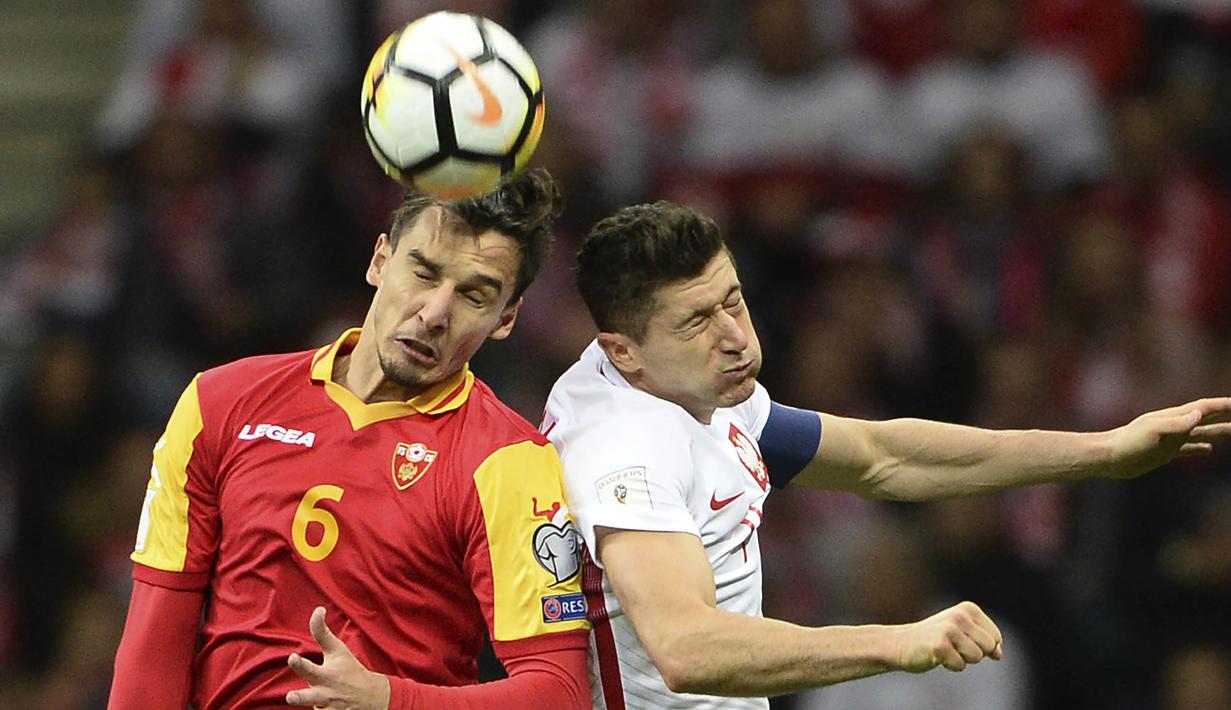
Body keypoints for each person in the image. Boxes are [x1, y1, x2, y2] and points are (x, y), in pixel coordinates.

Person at [538, 201, 1231, 709]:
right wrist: (897, 643)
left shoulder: (696, 386)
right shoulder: (624, 448)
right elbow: (685, 648)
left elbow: (880, 457)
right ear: (623, 352)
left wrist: (1106, 450)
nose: (735, 337)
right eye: (697, 321)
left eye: (733, 301)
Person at [107, 169, 592, 710]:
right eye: (423, 273)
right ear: (380, 259)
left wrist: (390, 700)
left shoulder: (507, 461)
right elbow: (154, 644)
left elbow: (560, 691)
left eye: (474, 296)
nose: (434, 314)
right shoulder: (218, 404)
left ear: (506, 318)